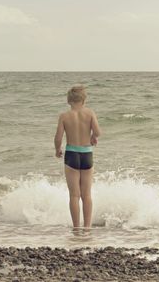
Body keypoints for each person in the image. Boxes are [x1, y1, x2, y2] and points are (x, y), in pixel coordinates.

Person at [54, 85, 101, 228]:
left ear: (69, 101)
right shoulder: (90, 113)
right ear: (84, 100)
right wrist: (93, 137)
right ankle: (87, 227)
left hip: (72, 154)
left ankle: (76, 227)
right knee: (86, 195)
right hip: (87, 154)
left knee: (74, 195)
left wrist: (58, 149)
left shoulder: (64, 116)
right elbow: (98, 132)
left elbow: (58, 137)